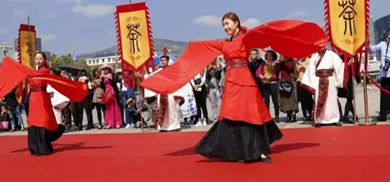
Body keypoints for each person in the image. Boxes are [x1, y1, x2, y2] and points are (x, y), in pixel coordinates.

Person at [140, 12, 328, 163]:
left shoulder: (246, 38)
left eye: (228, 23)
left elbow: (268, 31)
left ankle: (259, 150)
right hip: (230, 82)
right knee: (231, 113)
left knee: (250, 113)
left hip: (244, 80)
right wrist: (193, 45)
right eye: (223, 25)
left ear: (237, 23)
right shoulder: (224, 43)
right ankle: (237, 150)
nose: (225, 27)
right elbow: (205, 46)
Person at [0, 52, 88, 156]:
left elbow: (42, 78)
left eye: (40, 59)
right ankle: (35, 147)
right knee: (33, 122)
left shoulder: (45, 71)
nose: (38, 61)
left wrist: (30, 74)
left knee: (43, 121)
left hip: (42, 98)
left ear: (44, 60)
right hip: (33, 99)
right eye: (36, 59)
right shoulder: (33, 72)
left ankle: (43, 146)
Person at [301, 48, 344, 127]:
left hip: (330, 79)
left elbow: (339, 65)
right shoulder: (314, 56)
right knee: (318, 99)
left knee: (332, 100)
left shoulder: (332, 55)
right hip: (318, 80)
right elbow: (311, 70)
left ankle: (334, 119)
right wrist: (312, 83)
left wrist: (347, 64)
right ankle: (319, 119)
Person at [256, 50, 280, 122]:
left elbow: (277, 75)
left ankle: (277, 115)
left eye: (270, 55)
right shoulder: (263, 64)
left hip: (273, 83)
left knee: (275, 100)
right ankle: (267, 116)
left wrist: (271, 78)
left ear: (273, 56)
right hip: (265, 83)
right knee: (266, 100)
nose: (268, 56)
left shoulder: (276, 65)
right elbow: (258, 72)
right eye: (267, 55)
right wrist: (260, 76)